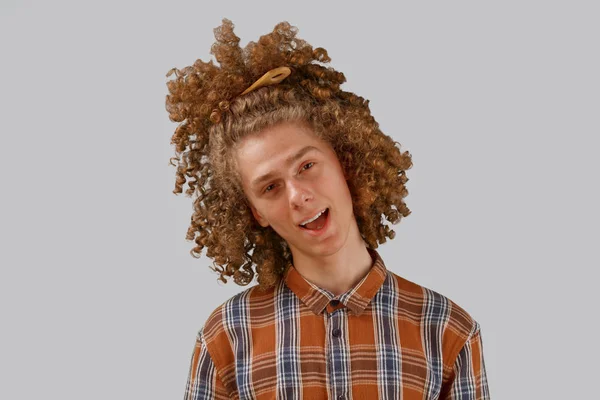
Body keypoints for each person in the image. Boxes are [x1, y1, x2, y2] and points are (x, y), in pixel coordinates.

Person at [165, 18, 490, 400]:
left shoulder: (447, 330)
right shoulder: (227, 337)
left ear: (344, 161)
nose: (298, 195)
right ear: (256, 213)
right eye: (270, 187)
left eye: (306, 166)